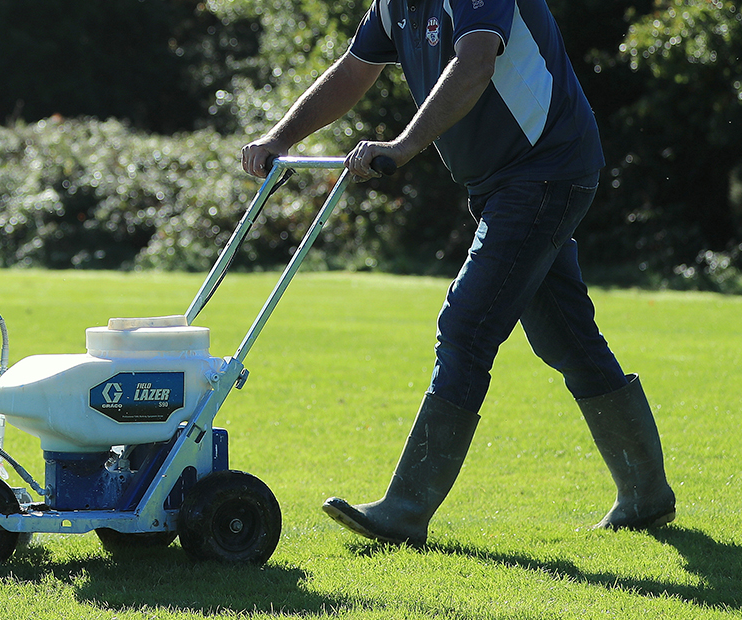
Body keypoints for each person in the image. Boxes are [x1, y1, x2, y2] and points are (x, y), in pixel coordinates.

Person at [241, 0, 675, 546]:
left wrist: (402, 147)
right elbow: (354, 70)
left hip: (546, 171)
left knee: (467, 326)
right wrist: (281, 138)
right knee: (564, 336)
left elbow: (474, 64)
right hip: (503, 184)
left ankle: (405, 508)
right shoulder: (392, 5)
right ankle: (647, 495)